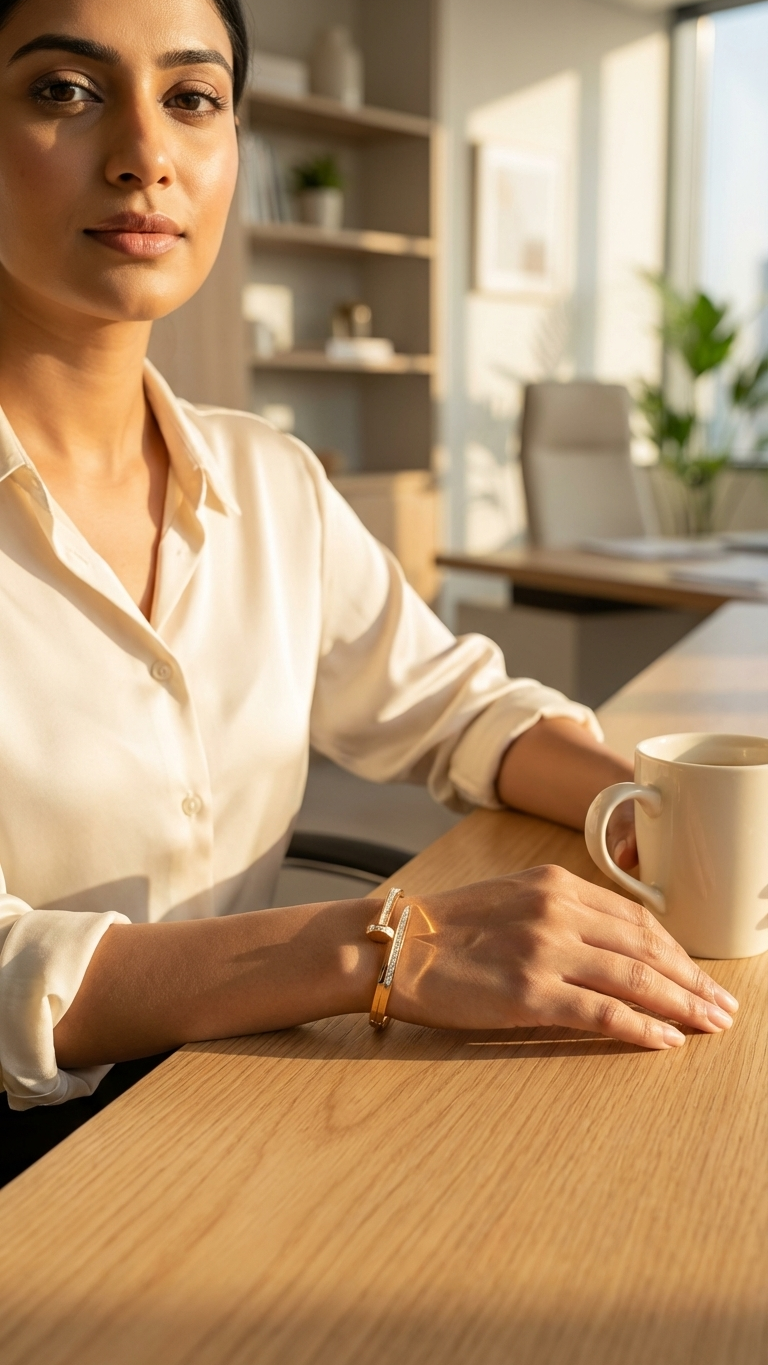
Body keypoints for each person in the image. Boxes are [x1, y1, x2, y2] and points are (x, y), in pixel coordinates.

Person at [0, 0, 737, 1152]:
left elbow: (456, 708)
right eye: (64, 92)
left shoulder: (271, 479)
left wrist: (656, 812)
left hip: (231, 1090)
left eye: (192, 98)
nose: (145, 155)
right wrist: (383, 948)